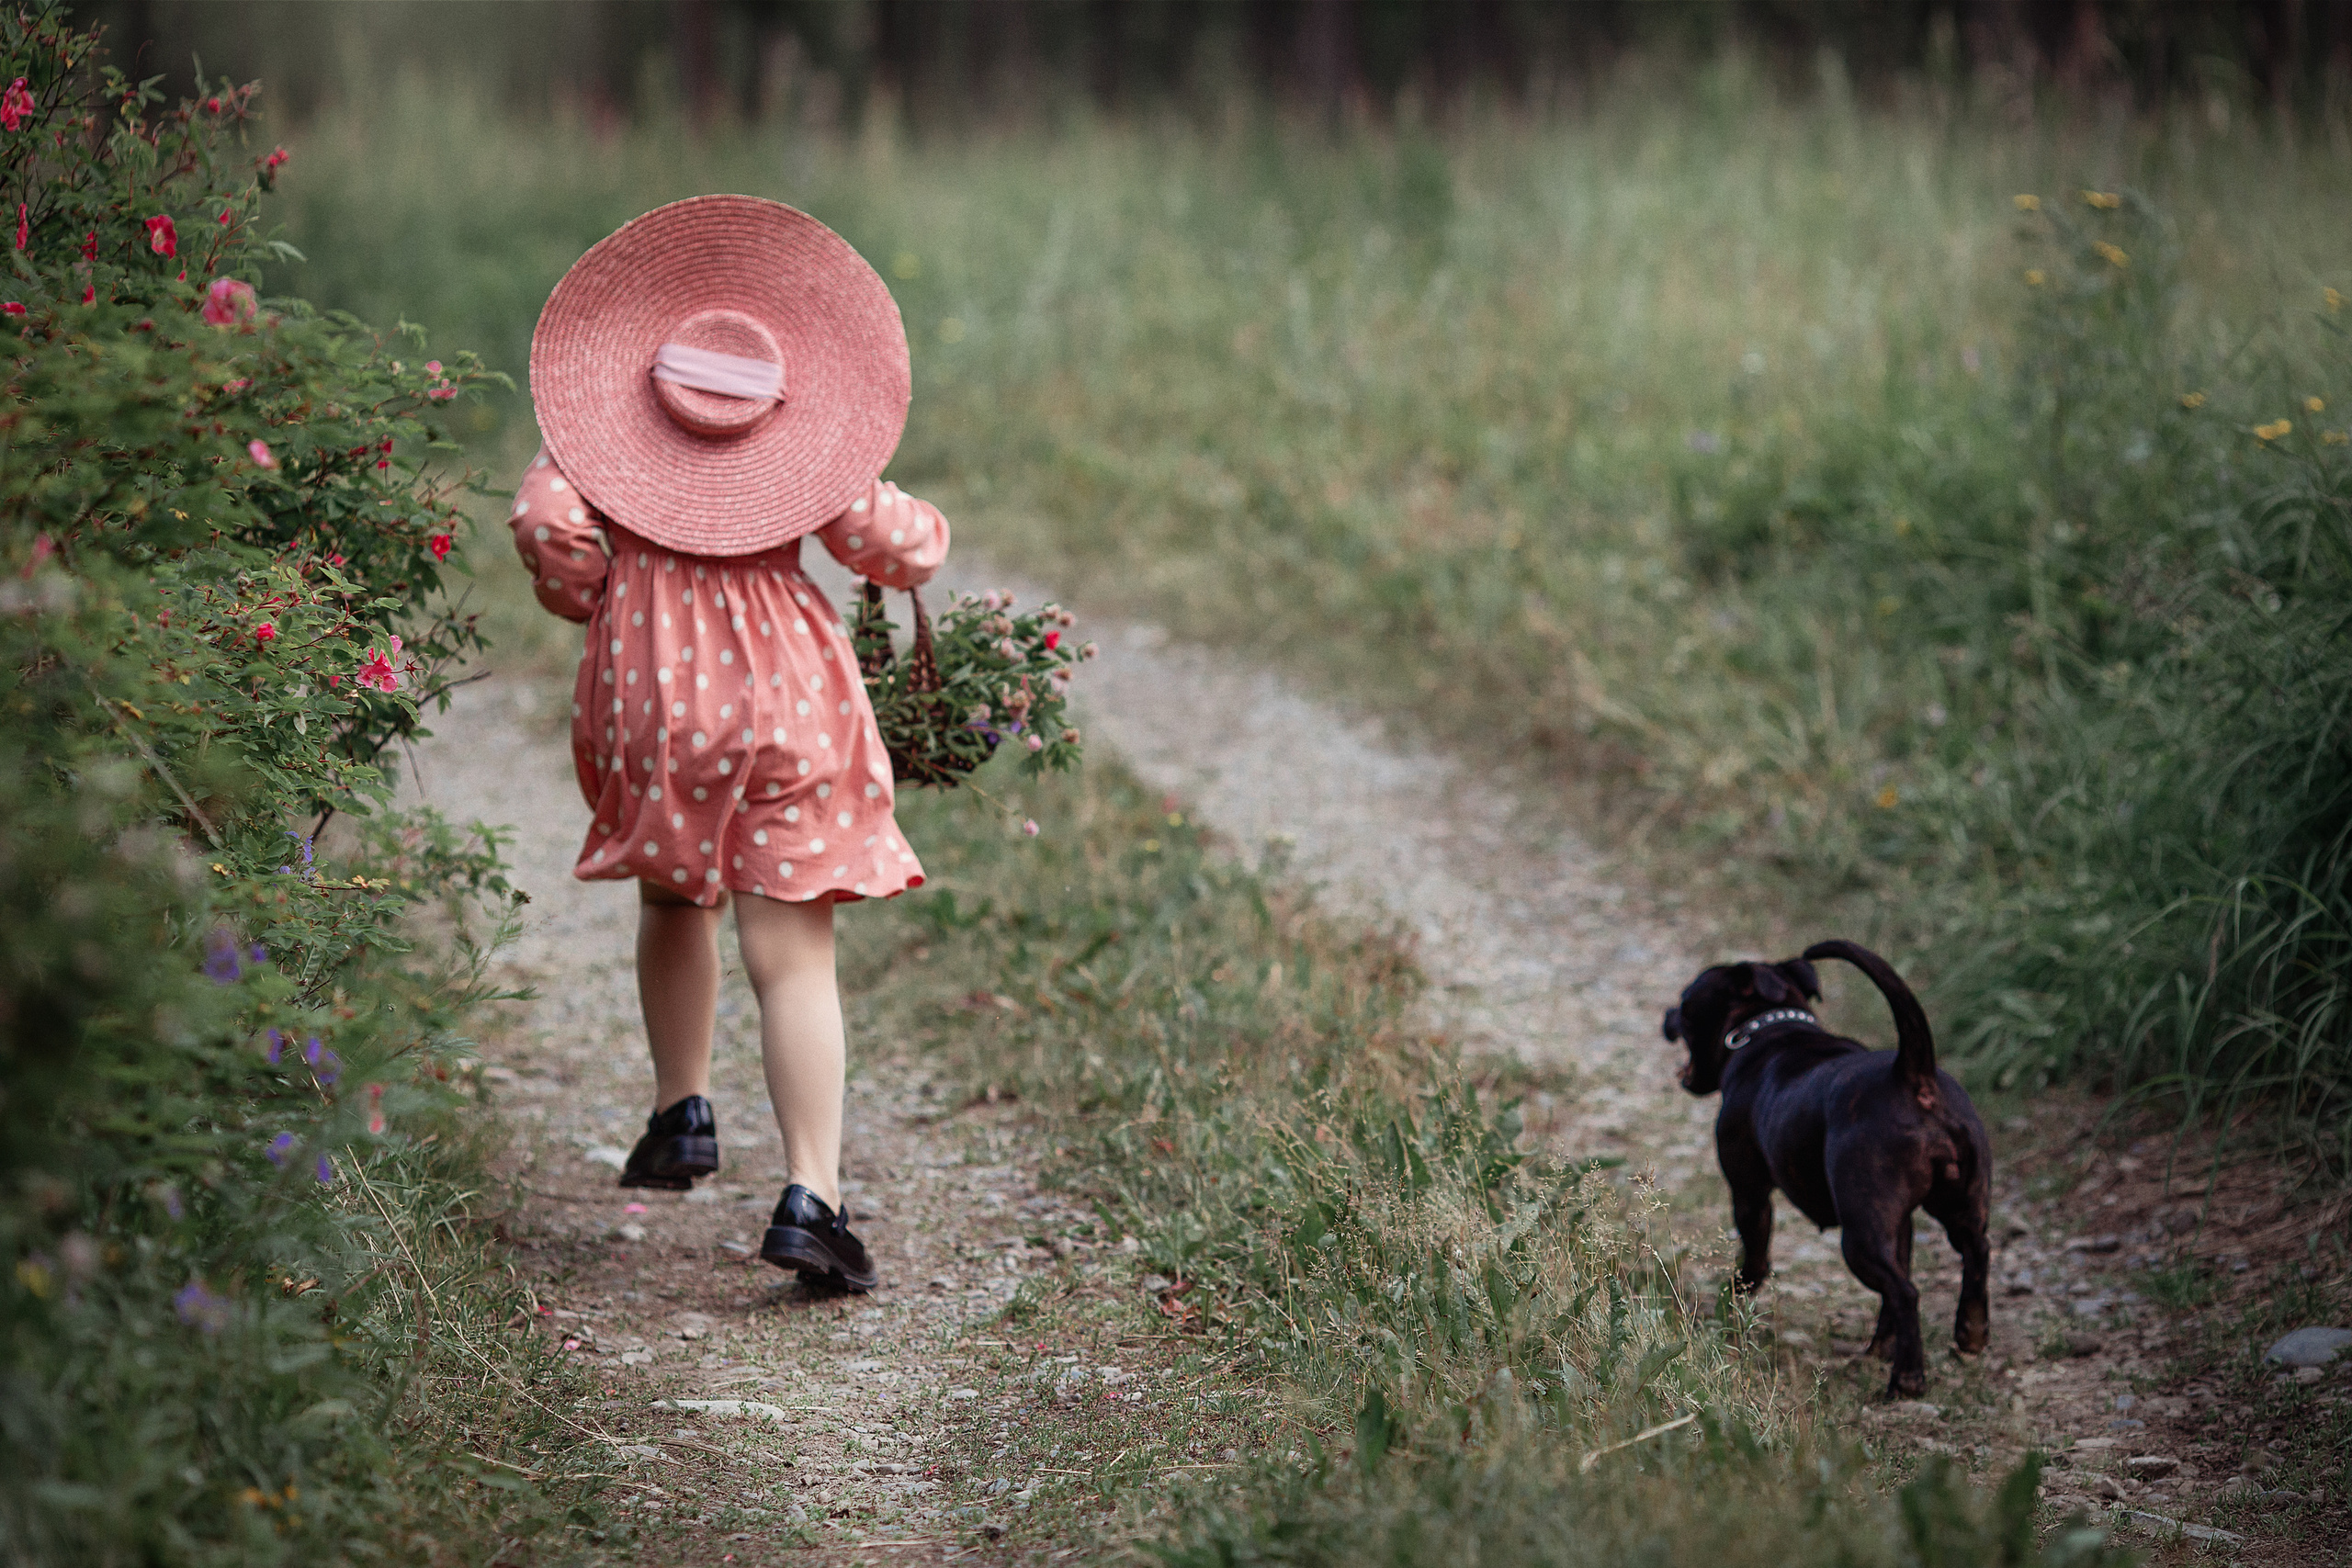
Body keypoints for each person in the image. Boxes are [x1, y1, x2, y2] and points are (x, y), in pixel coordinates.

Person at [508, 195, 945, 1293]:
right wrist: (913, 522)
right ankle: (812, 1200)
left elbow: (547, 524)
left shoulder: (597, 446)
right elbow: (896, 548)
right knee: (791, 955)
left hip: (653, 703)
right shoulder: (805, 455)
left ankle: (681, 1109)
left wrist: (600, 595)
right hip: (787, 699)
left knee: (672, 896)